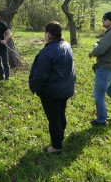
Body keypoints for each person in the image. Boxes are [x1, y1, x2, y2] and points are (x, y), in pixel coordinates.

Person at [29, 21, 75, 154]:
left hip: (52, 92)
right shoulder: (67, 45)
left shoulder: (47, 51)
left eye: (45, 33)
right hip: (65, 88)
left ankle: (56, 147)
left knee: (54, 118)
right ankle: (59, 138)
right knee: (60, 114)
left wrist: (37, 89)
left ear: (48, 34)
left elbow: (40, 75)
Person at [88, 11, 111, 126]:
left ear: (110, 20)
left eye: (104, 19)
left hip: (106, 70)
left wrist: (92, 53)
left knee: (99, 95)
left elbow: (99, 49)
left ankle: (101, 120)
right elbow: (99, 43)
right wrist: (96, 45)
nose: (102, 20)